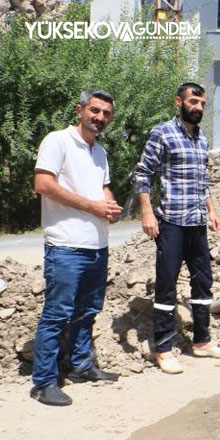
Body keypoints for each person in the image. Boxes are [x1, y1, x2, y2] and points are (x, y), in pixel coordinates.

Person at [31, 89, 123, 406]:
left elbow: (103, 189)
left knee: (88, 312)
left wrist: (110, 206)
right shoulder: (57, 141)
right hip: (66, 245)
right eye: (95, 110)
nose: (100, 117)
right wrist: (91, 207)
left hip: (97, 245)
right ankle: (43, 382)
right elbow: (43, 184)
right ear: (79, 110)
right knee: (57, 315)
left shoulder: (99, 152)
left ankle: (81, 366)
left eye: (106, 113)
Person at [134, 82, 220, 375]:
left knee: (203, 282)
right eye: (193, 101)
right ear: (179, 101)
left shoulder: (201, 139)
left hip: (197, 223)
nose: (198, 107)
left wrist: (212, 210)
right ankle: (163, 349)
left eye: (202, 103)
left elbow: (203, 181)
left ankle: (201, 341)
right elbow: (142, 174)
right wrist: (147, 213)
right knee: (167, 285)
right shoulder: (162, 133)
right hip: (171, 222)